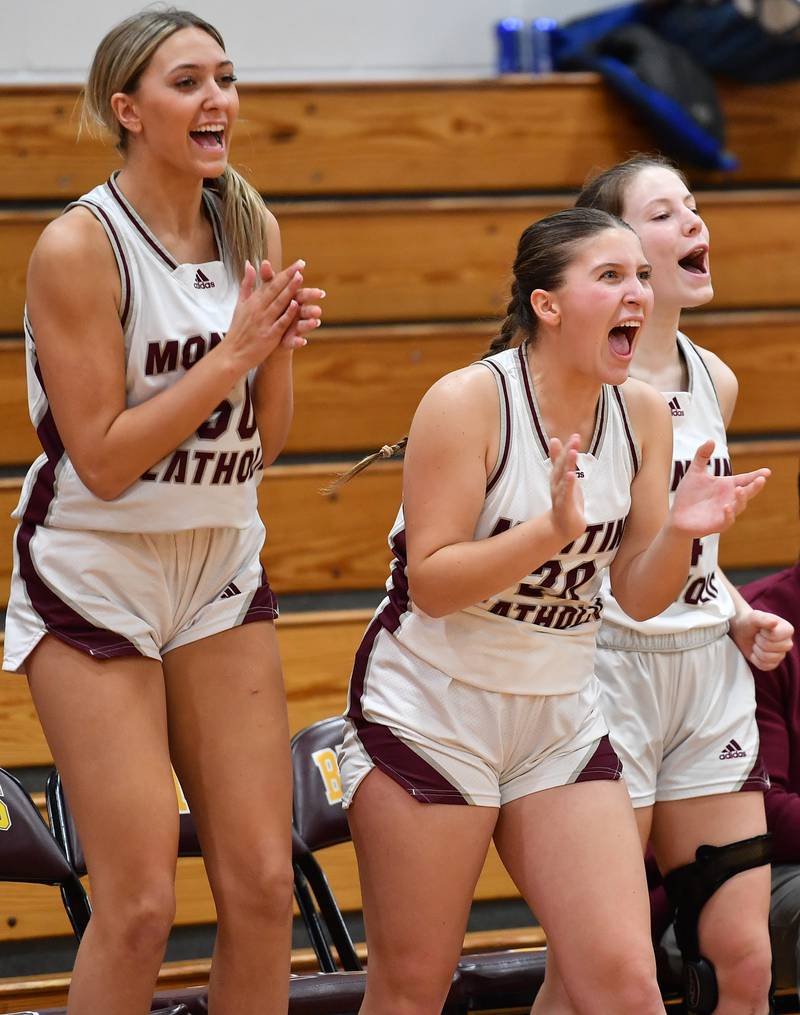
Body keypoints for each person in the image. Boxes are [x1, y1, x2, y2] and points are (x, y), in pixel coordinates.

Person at [335, 205, 769, 1015]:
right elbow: (430, 581)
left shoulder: (640, 413)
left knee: (625, 987)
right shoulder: (468, 400)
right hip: (433, 709)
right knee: (412, 988)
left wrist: (680, 527)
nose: (636, 291)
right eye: (610, 276)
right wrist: (549, 531)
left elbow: (638, 593)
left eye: (641, 274)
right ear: (547, 303)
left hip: (560, 717)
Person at [1, 9, 323, 1014]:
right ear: (127, 110)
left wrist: (270, 352)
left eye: (225, 78)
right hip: (96, 569)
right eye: (188, 82)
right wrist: (231, 353)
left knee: (265, 885)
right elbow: (97, 459)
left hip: (219, 561)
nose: (217, 100)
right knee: (138, 903)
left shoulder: (250, 224)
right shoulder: (77, 245)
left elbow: (263, 444)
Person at [576, 154, 794, 1014]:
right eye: (666, 213)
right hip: (607, 669)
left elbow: (691, 548)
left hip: (705, 674)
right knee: (604, 971)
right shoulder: (581, 384)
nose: (695, 223)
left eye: (694, 207)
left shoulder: (715, 378)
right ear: (618, 254)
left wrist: (738, 614)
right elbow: (598, 552)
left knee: (744, 962)